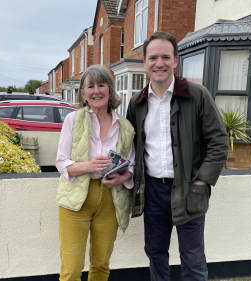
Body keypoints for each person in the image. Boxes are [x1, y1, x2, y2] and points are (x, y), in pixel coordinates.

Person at [126, 31, 229, 281]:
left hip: (189, 190)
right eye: (153, 58)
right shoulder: (137, 103)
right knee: (155, 254)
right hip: (152, 191)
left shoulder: (197, 95)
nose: (158, 63)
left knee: (193, 260)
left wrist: (201, 182)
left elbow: (219, 141)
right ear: (145, 63)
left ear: (175, 60)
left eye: (165, 57)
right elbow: (129, 146)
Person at [56, 64, 135, 281]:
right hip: (76, 198)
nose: (96, 90)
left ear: (110, 89)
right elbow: (61, 162)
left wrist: (123, 176)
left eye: (102, 85)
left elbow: (132, 165)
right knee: (71, 269)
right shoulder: (73, 120)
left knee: (101, 266)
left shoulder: (125, 127)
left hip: (110, 199)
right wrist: (88, 167)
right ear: (83, 93)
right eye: (90, 86)